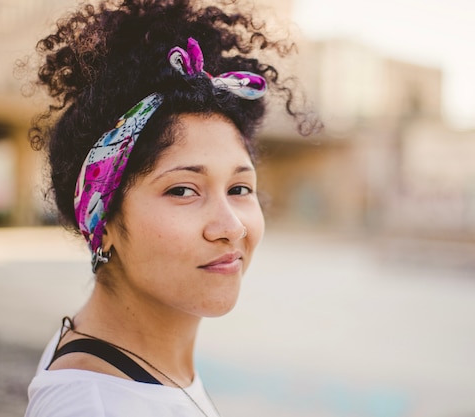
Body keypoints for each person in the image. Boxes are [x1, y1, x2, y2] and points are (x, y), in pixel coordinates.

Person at [24, 0, 316, 416]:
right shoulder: (97, 406)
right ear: (102, 220)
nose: (230, 226)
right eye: (183, 190)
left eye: (239, 187)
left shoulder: (134, 367)